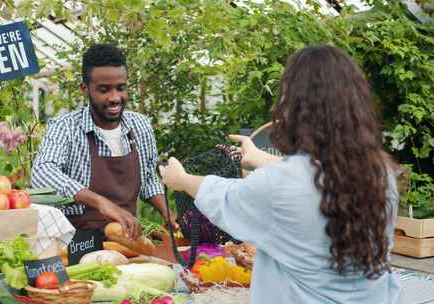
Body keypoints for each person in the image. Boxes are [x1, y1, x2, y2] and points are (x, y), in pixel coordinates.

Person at [159, 45, 402, 303]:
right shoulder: (380, 173)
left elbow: (224, 196)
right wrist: (260, 158)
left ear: (296, 107)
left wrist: (181, 179)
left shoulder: (279, 186)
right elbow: (316, 177)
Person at [32, 44, 177, 239]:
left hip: (126, 239)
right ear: (85, 89)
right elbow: (43, 172)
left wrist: (167, 212)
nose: (115, 97)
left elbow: (148, 178)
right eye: (104, 89)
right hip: (75, 241)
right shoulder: (65, 127)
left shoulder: (140, 126)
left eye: (121, 88)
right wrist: (101, 202)